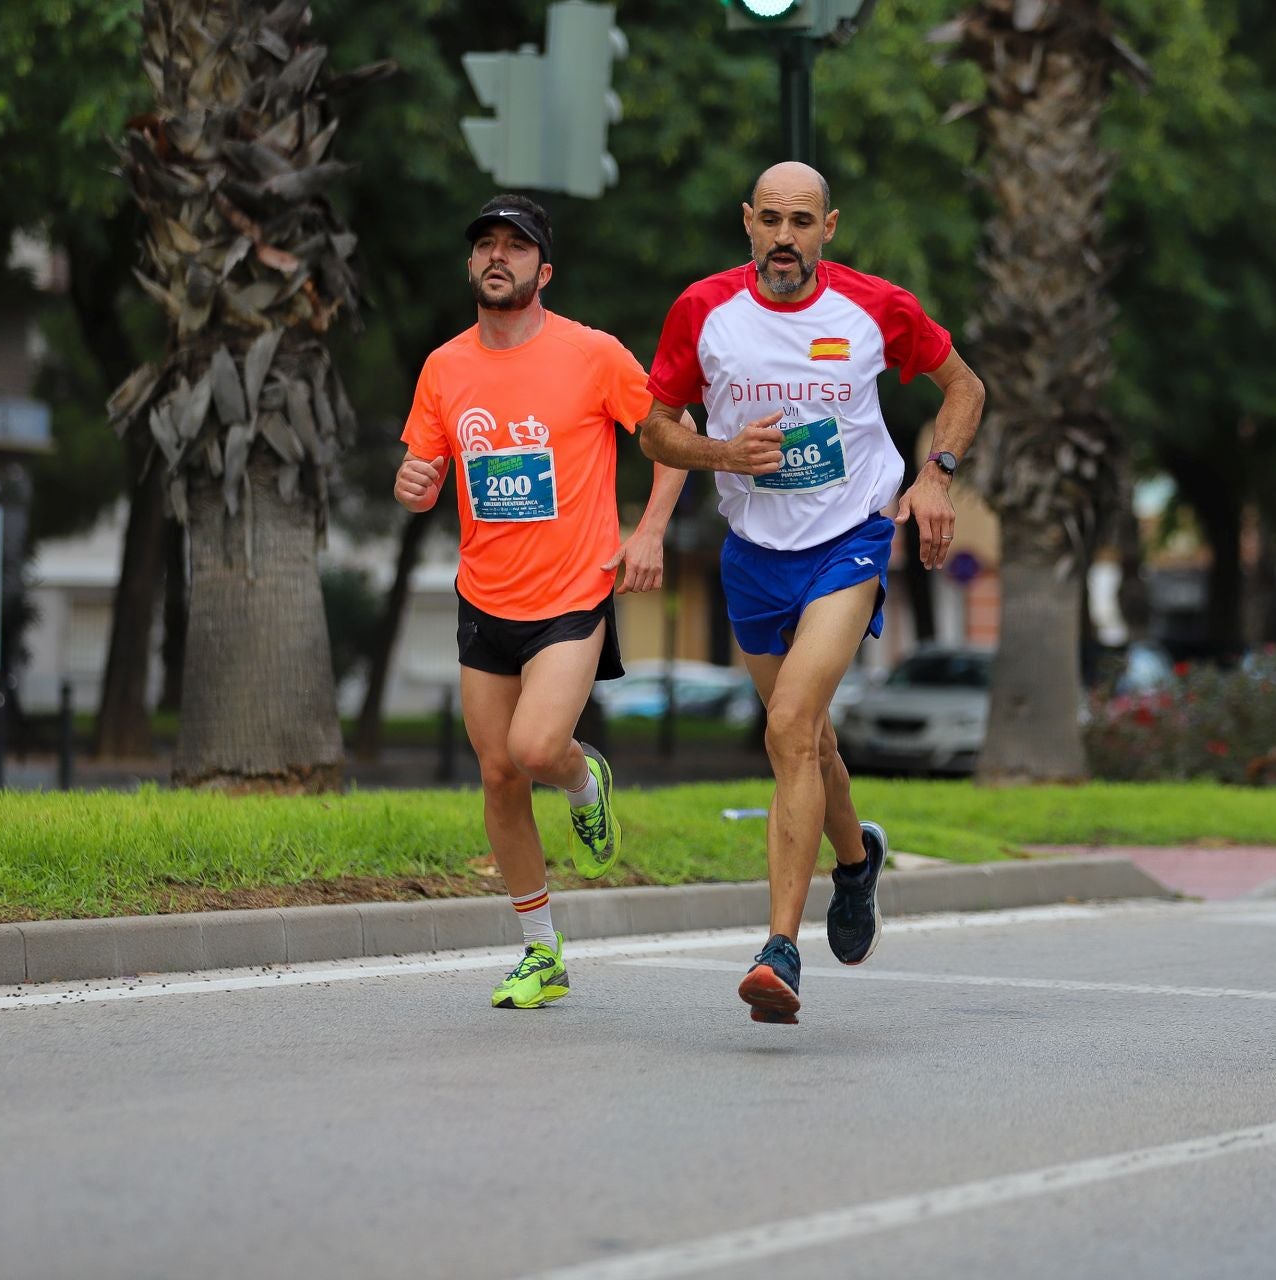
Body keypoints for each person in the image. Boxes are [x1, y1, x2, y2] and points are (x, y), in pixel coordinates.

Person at [639, 162, 986, 1023]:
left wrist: (937, 479)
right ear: (746, 222)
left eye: (803, 221)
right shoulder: (703, 311)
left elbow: (964, 387)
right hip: (754, 553)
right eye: (770, 220)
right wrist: (723, 455)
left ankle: (779, 950)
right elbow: (654, 426)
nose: (785, 237)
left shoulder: (875, 307)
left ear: (829, 227)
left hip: (850, 541)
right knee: (812, 740)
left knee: (790, 726)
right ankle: (856, 861)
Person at [395, 194, 685, 1010]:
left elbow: (672, 434)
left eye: (515, 247)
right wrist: (412, 484)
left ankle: (585, 779)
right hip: (484, 596)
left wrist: (649, 532)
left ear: (543, 271)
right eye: (485, 244)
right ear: (471, 266)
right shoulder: (445, 367)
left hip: (572, 593)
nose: (498, 256)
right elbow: (421, 477)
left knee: (534, 747)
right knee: (496, 775)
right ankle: (541, 952)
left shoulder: (592, 355)